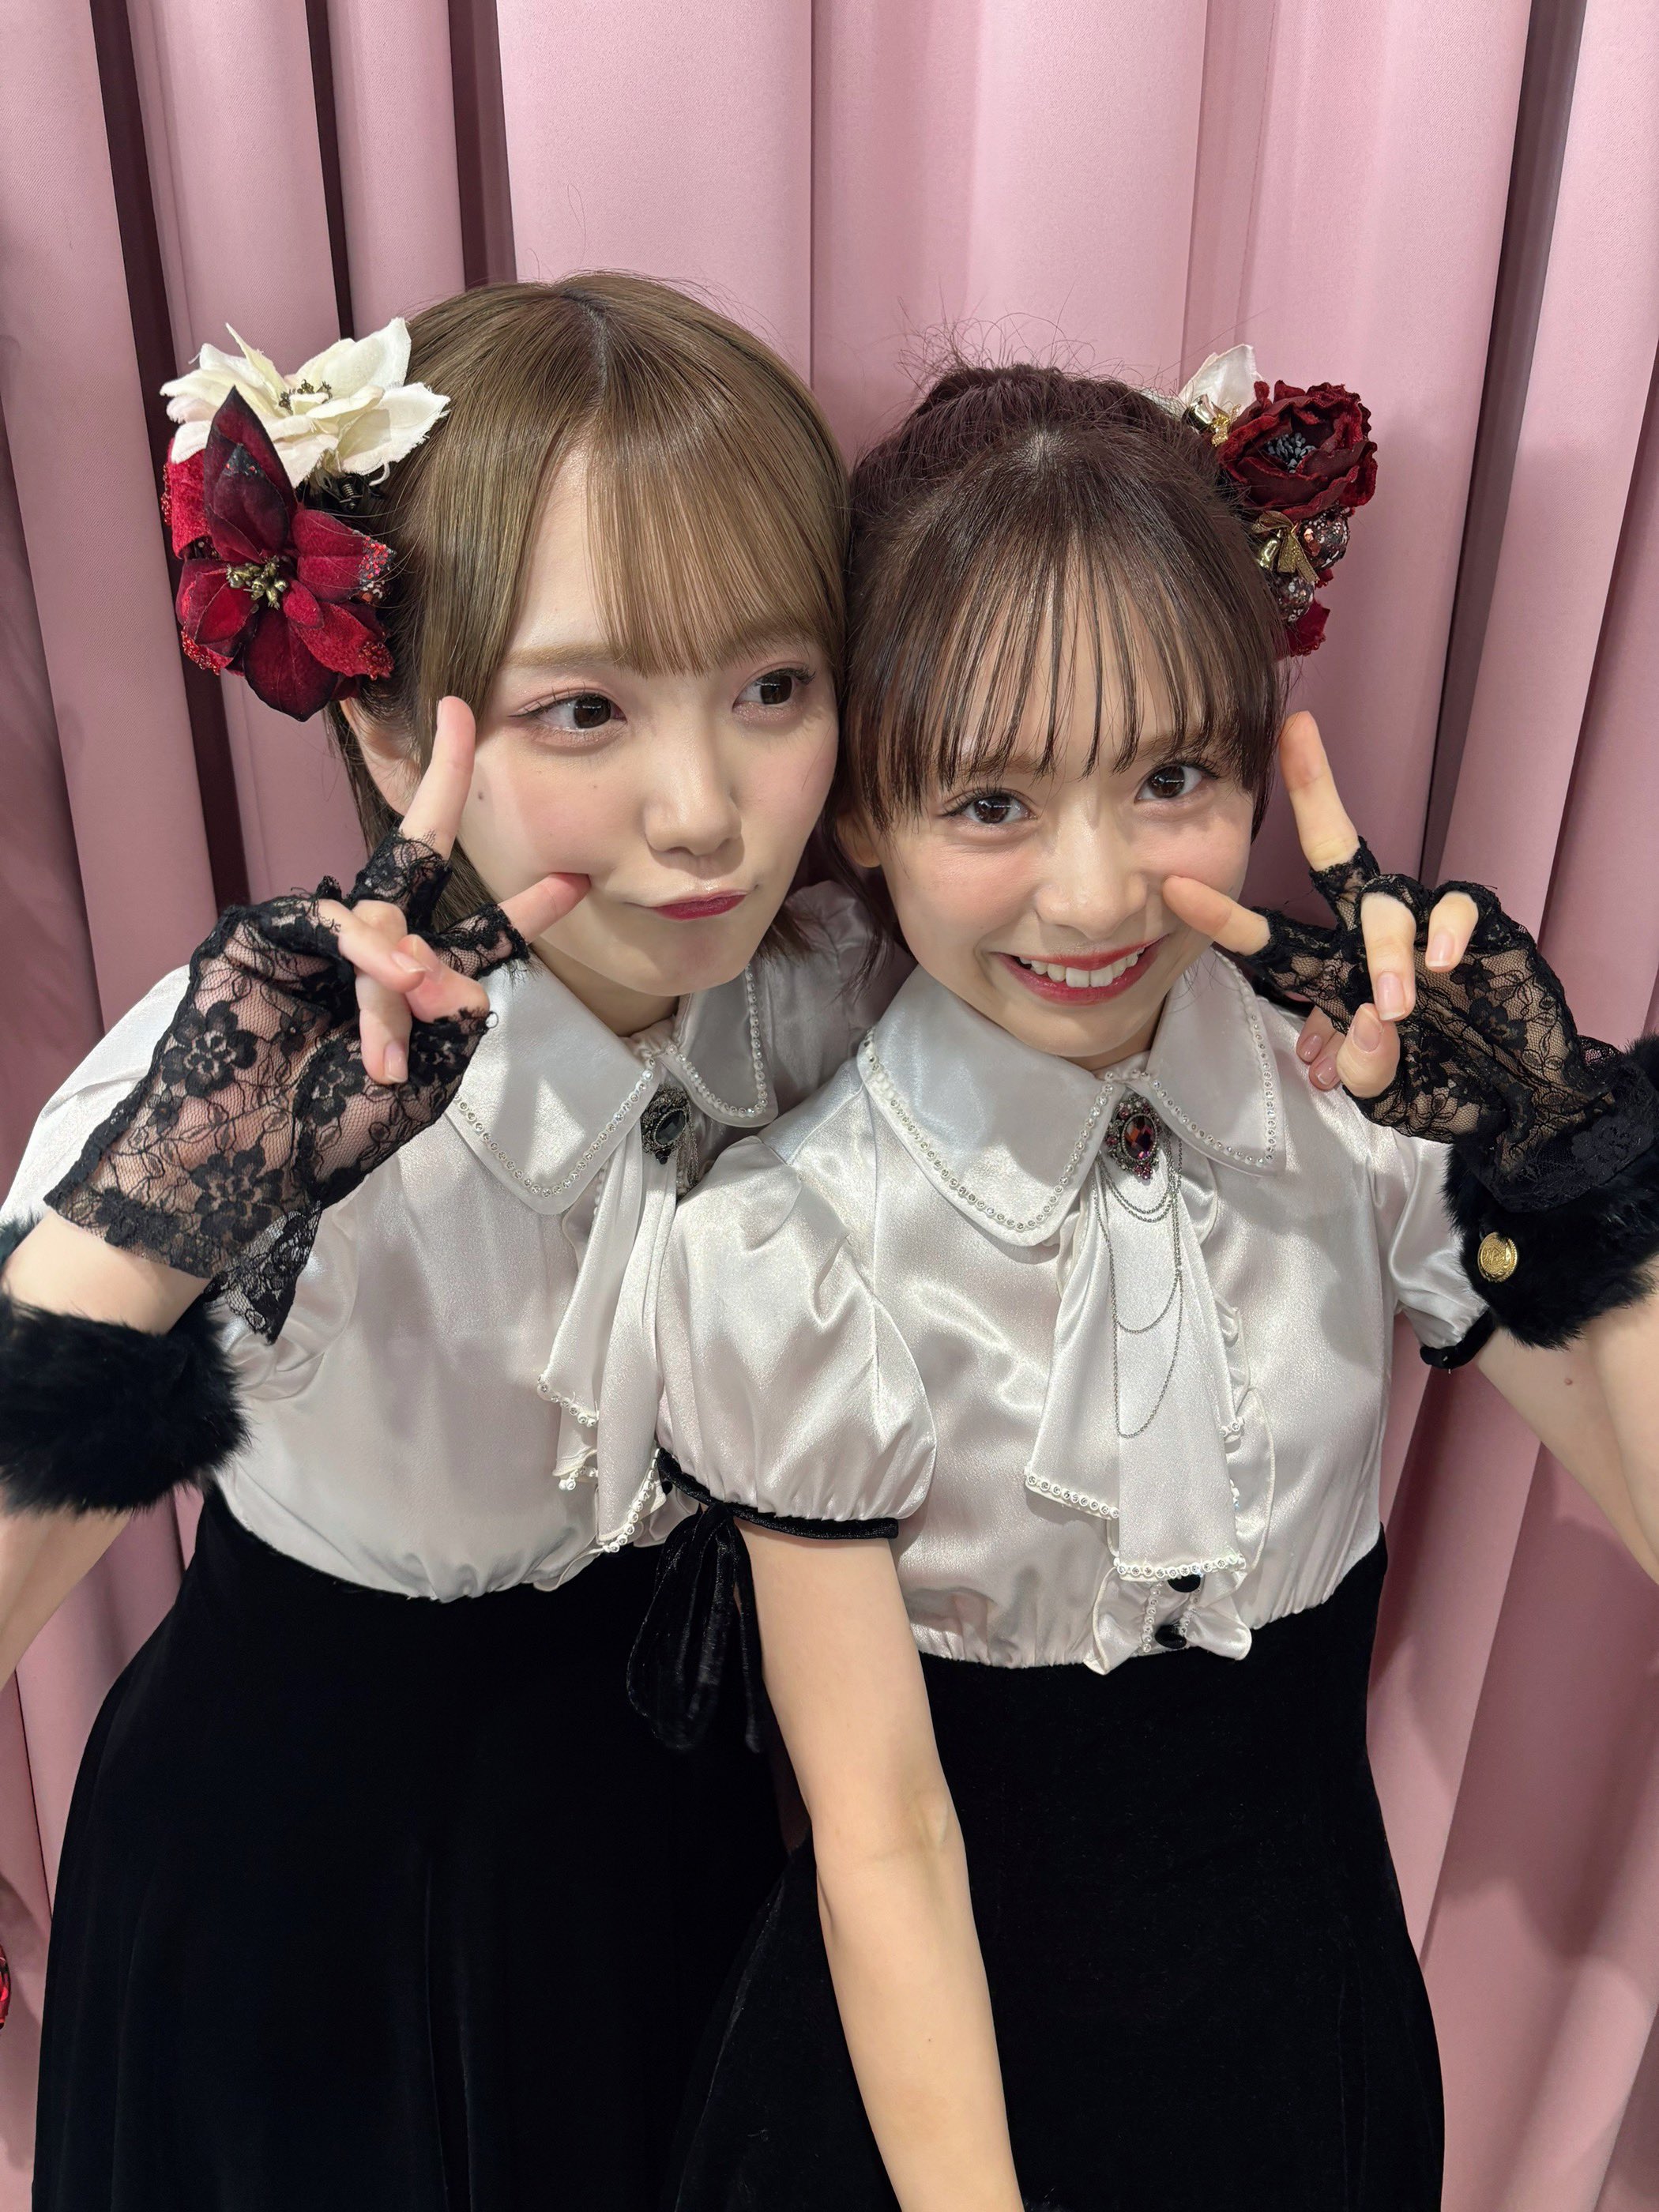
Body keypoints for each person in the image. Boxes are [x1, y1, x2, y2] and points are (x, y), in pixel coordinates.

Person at [634, 354, 1659, 2210]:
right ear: (862, 810)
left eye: (1171, 777)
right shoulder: (793, 1241)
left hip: (1308, 2050)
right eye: (992, 801)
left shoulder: (1358, 1113)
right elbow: (882, 1838)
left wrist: (1568, 1155)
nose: (1097, 892)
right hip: (937, 2107)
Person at [0, 273, 905, 2212]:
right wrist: (177, 1208)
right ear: (392, 715)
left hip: (671, 1836)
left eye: (774, 686)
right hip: (299, 1904)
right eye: (587, 708)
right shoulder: (251, 1071)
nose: (706, 812)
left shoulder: (830, 987)